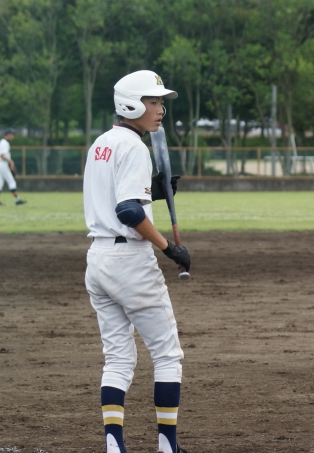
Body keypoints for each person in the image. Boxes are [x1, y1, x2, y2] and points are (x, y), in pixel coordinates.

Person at [82, 70, 192, 453]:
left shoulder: (102, 143)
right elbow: (128, 211)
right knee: (167, 354)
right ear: (131, 104)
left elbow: (115, 196)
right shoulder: (135, 147)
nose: (161, 109)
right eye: (153, 101)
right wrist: (168, 247)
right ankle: (167, 447)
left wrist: (153, 191)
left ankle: (114, 447)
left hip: (98, 260)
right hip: (129, 261)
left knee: (118, 358)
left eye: (161, 102)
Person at [0, 127, 26, 206]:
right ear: (8, 134)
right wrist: (10, 161)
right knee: (11, 182)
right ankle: (17, 200)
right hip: (2, 164)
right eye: (12, 134)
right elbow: (1, 155)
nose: (13, 136)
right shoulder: (5, 143)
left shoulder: (2, 142)